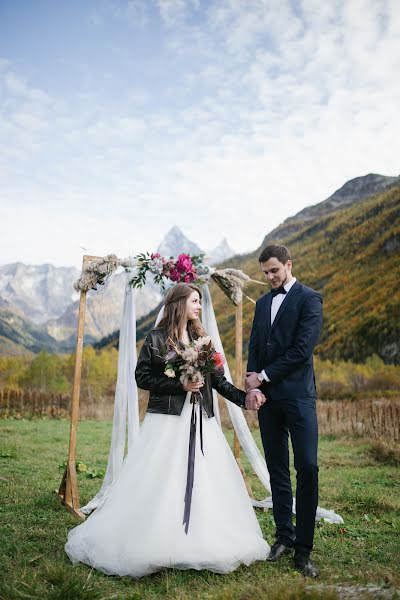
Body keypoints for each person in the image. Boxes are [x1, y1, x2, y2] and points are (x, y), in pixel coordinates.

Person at [65, 282, 269, 578]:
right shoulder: (157, 338)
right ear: (179, 303)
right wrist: (179, 385)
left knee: (205, 478)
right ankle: (156, 537)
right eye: (195, 301)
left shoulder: (203, 338)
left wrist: (244, 399)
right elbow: (142, 377)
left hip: (202, 419)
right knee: (162, 476)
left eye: (200, 302)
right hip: (168, 420)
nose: (199, 307)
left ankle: (200, 538)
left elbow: (219, 382)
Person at [245, 244, 323, 579]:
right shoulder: (262, 303)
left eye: (274, 270)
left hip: (299, 397)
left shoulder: (310, 298)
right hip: (268, 401)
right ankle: (283, 537)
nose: (270, 277)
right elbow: (254, 346)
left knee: (307, 467)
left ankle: (303, 551)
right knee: (276, 468)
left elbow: (302, 350)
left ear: (289, 264)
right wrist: (253, 385)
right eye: (265, 273)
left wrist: (262, 376)